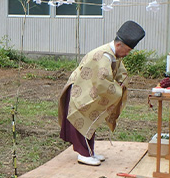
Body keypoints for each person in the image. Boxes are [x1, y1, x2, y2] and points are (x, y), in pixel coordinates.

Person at [58, 21, 146, 166]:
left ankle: (89, 151)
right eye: (128, 50)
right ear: (119, 45)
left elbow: (120, 73)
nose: (127, 54)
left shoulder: (114, 55)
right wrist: (117, 88)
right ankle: (83, 154)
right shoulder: (103, 55)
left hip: (89, 89)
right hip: (80, 89)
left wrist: (121, 83)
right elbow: (101, 81)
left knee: (91, 119)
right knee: (82, 118)